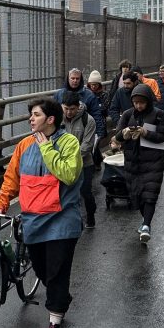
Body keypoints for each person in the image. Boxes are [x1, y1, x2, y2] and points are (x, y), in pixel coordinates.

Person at [0, 97, 83, 328]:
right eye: (30, 115)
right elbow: (12, 178)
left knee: (56, 273)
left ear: (50, 119)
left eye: (35, 115)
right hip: (33, 221)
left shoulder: (68, 143)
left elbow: (68, 174)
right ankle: (59, 299)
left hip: (61, 221)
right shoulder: (23, 145)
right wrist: (1, 202)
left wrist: (47, 149)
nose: (31, 119)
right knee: (43, 271)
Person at [112, 84, 164, 243]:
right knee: (137, 195)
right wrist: (123, 134)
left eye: (142, 102)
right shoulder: (127, 115)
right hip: (132, 161)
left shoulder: (158, 114)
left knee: (150, 194)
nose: (138, 105)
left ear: (148, 101)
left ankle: (146, 225)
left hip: (153, 160)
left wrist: (146, 132)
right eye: (136, 102)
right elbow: (117, 135)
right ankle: (145, 221)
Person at [58, 89, 97, 229]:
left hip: (84, 163)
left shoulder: (88, 120)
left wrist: (71, 159)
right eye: (66, 109)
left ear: (78, 106)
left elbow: (87, 145)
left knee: (85, 191)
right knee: (65, 193)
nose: (69, 112)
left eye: (72, 109)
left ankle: (90, 214)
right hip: (62, 164)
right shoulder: (56, 119)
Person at [53, 68, 105, 138]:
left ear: (80, 80)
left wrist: (99, 133)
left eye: (77, 78)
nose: (75, 81)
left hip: (83, 133)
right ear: (68, 79)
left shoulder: (89, 95)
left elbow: (96, 114)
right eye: (72, 78)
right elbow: (53, 113)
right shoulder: (59, 94)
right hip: (63, 132)